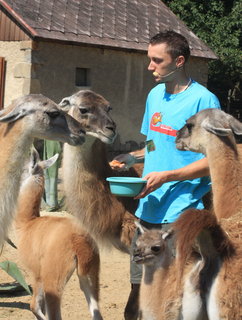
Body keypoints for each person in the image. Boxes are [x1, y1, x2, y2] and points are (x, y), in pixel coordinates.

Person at [110, 30, 221, 320]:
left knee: (174, 292)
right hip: (147, 208)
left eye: (157, 60)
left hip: (181, 211)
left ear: (179, 61)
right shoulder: (155, 95)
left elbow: (215, 161)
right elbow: (154, 141)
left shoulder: (204, 101)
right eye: (150, 59)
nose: (150, 67)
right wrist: (131, 156)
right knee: (141, 286)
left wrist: (169, 176)